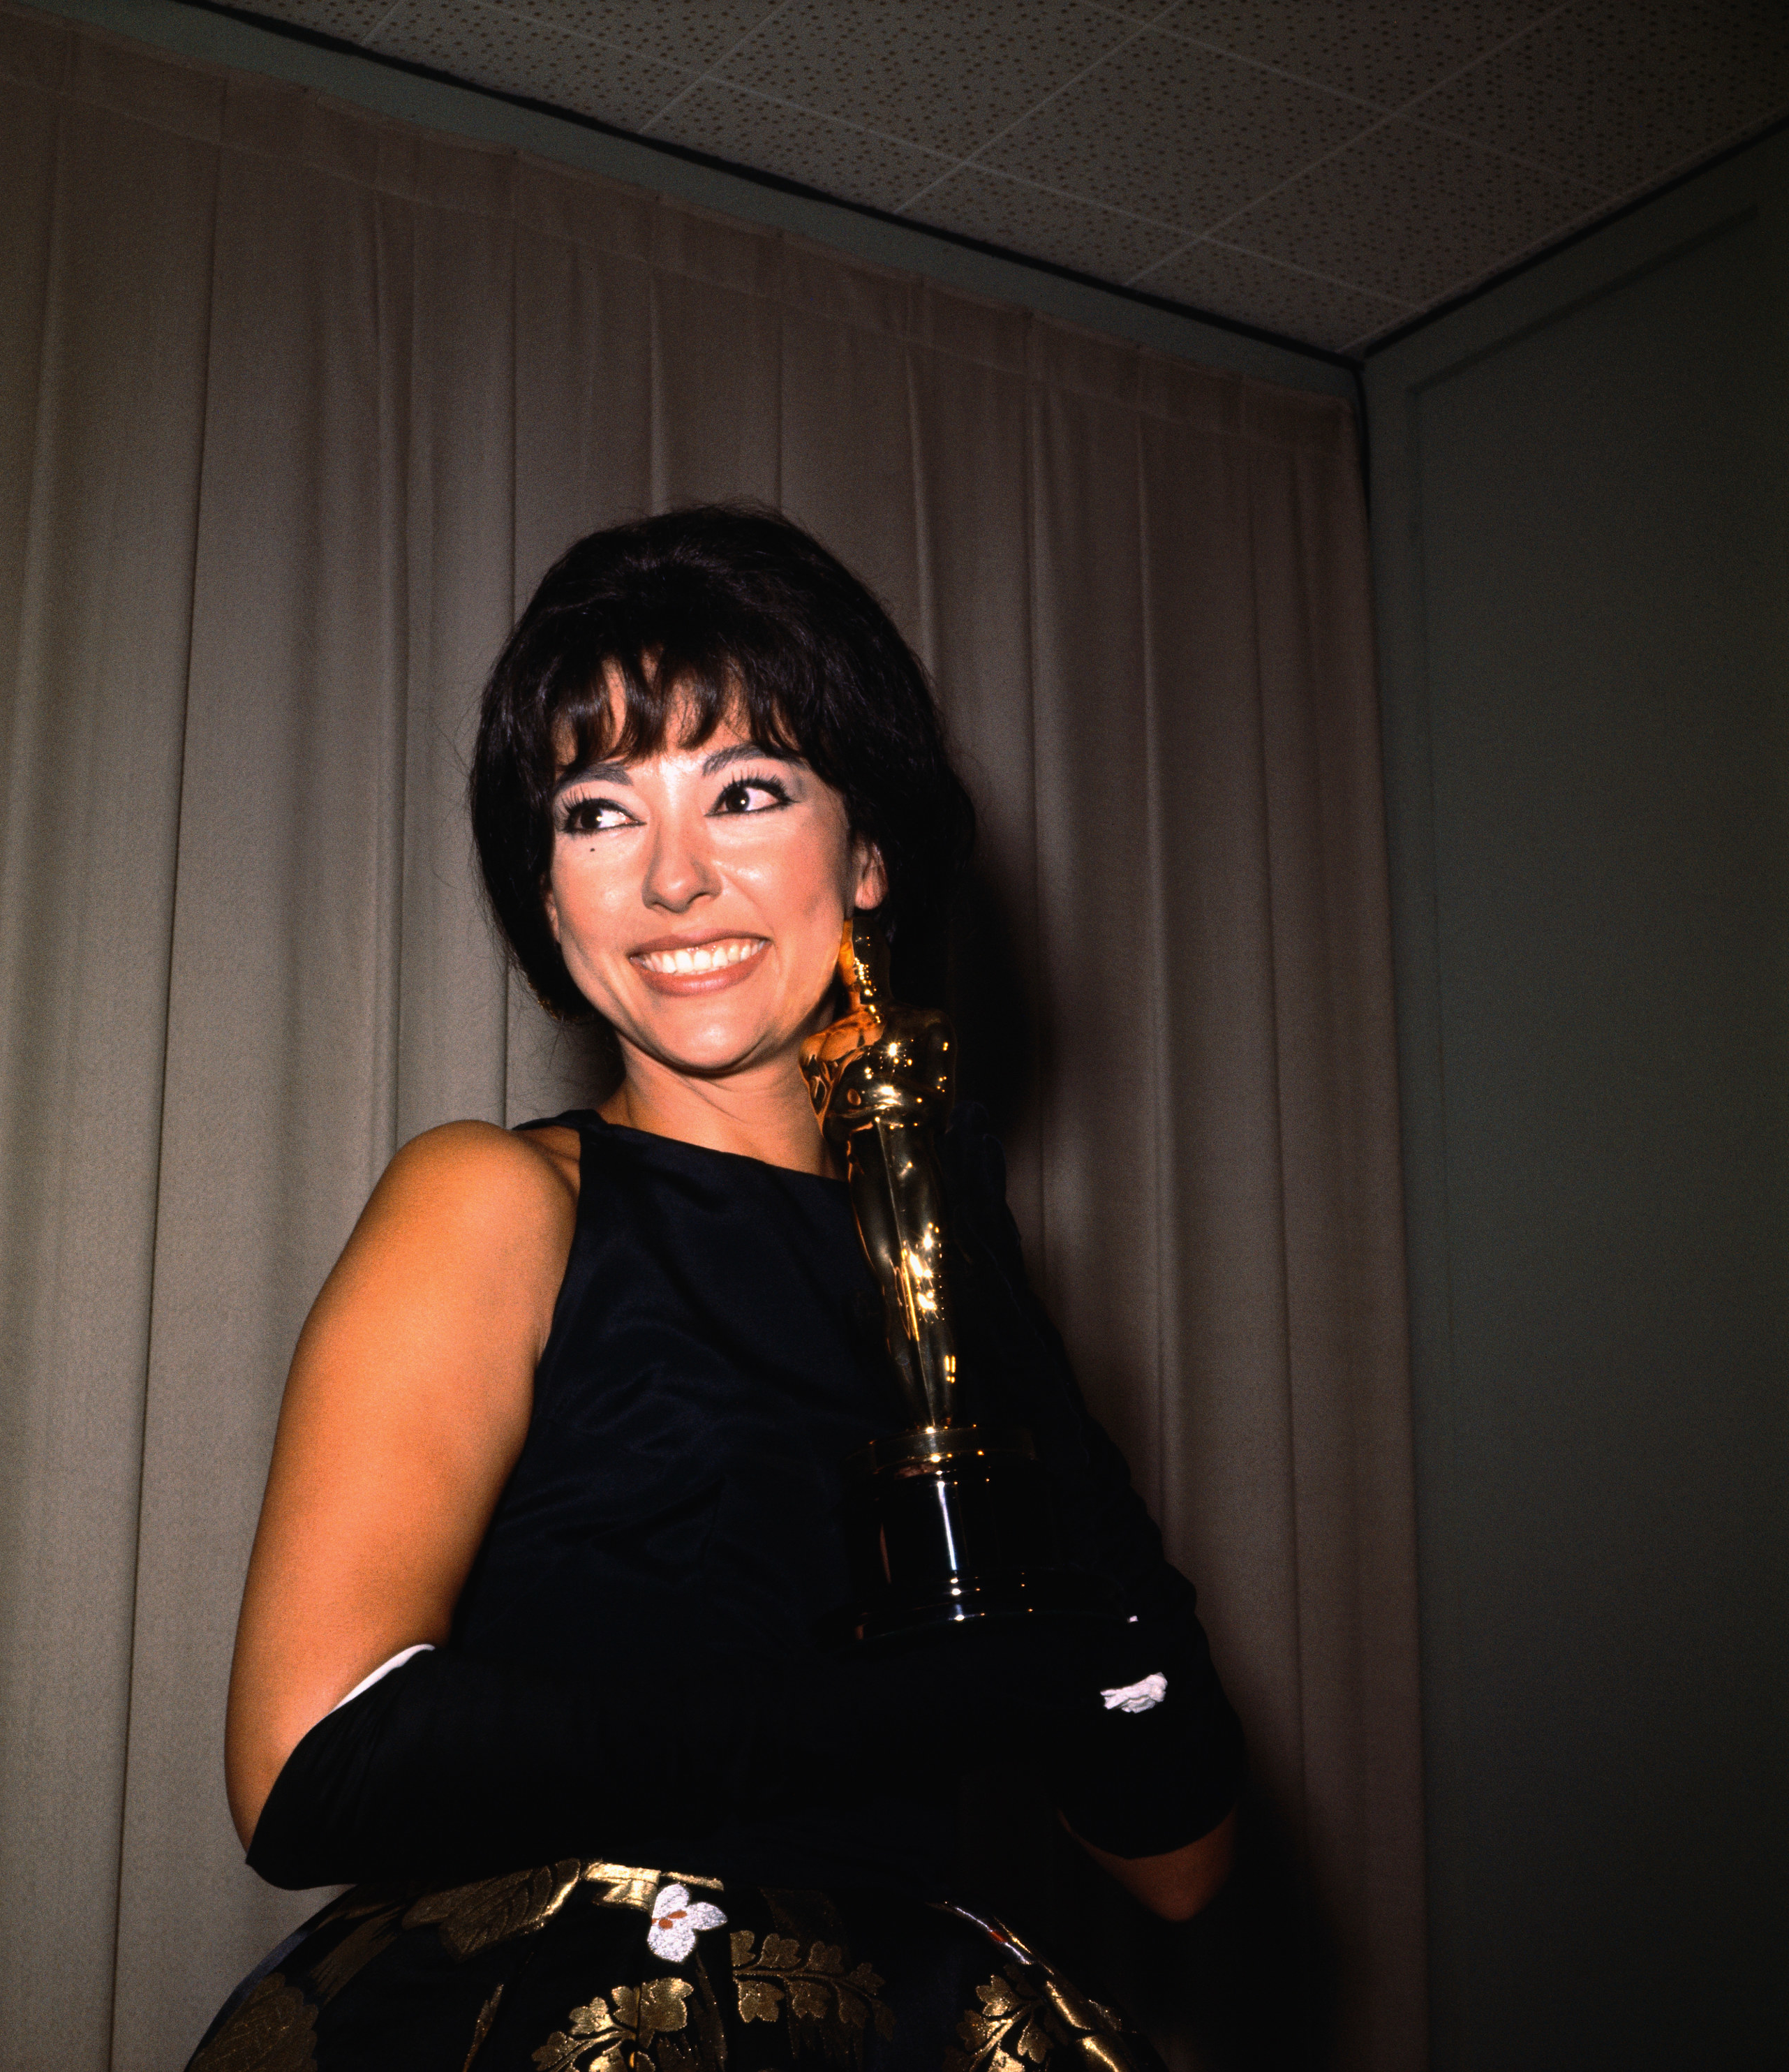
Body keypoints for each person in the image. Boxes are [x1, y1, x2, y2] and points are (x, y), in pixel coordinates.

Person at [190, 507, 1242, 2072]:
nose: (674, 879)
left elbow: (1178, 1857)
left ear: (867, 852)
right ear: (547, 892)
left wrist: (987, 1310)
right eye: (599, 812)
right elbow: (310, 1770)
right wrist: (915, 1702)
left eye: (746, 791)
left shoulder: (945, 1262)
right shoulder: (497, 1195)